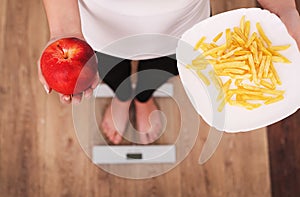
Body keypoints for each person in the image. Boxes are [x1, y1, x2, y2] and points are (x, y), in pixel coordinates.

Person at [39, 0, 300, 145]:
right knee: (109, 69)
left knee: (163, 68)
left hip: (183, 29)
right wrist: (63, 28)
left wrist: (284, 7)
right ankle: (121, 98)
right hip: (95, 29)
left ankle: (142, 98)